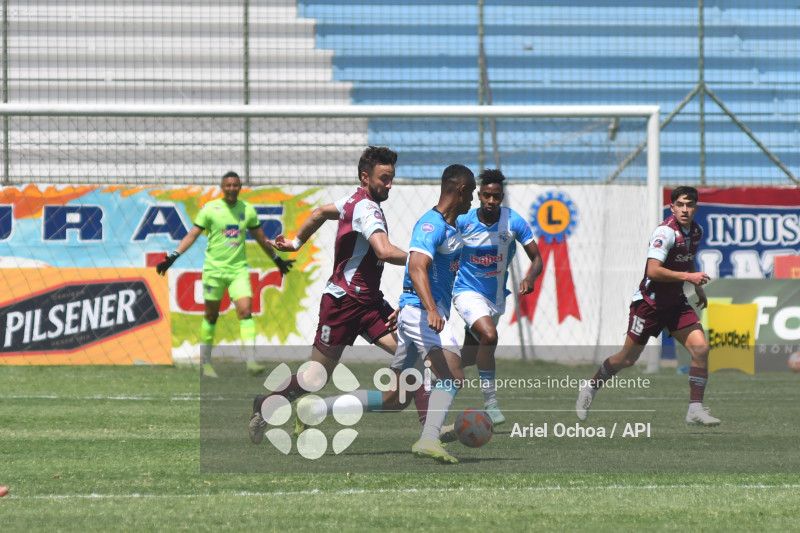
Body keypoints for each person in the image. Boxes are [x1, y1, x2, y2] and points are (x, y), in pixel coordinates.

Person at [249, 146, 431, 445]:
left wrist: (296, 242)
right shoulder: (366, 208)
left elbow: (320, 212)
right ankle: (266, 404)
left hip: (371, 304)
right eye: (384, 178)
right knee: (314, 378)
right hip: (343, 304)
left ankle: (430, 433)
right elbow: (383, 251)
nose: (389, 185)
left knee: (417, 353)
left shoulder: (354, 200)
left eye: (392, 178)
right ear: (365, 177)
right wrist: (421, 258)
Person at [575, 186, 720, 426]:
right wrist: (688, 278)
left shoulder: (696, 231)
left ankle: (694, 409)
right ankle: (590, 387)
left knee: (701, 349)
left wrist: (697, 286)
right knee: (626, 360)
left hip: (676, 303)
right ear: (672, 207)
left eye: (690, 204)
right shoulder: (665, 232)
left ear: (696, 207)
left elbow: (687, 258)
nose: (685, 209)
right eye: (680, 204)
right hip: (649, 304)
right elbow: (653, 270)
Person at [155, 171, 294, 378]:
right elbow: (192, 234)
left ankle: (251, 362)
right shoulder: (210, 209)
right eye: (228, 185)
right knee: (211, 316)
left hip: (238, 271)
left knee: (246, 312)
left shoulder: (247, 210)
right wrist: (173, 256)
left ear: (239, 187)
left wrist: (277, 260)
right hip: (214, 271)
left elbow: (260, 237)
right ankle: (206, 363)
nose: (231, 189)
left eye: (235, 185)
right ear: (222, 187)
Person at [449, 169, 543, 426]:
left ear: (502, 197)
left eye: (497, 197)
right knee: (489, 336)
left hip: (495, 299)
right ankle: (491, 403)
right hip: (467, 291)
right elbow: (441, 247)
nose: (492, 201)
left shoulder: (514, 222)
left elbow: (537, 258)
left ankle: (435, 374)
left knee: (470, 357)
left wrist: (530, 278)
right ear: (479, 195)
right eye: (487, 196)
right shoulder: (463, 221)